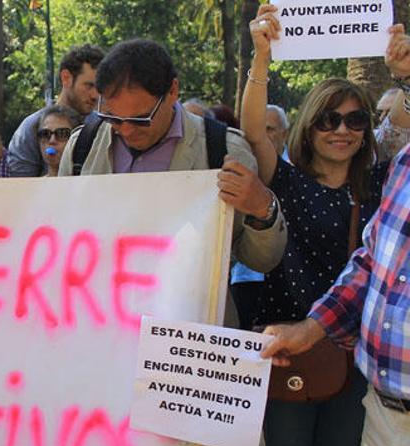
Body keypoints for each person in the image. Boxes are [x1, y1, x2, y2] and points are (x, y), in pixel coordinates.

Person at [241, 6, 399, 446]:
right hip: (290, 346)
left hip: (356, 359)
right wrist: (261, 59)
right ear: (309, 125)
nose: (342, 130)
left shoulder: (382, 183)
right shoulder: (285, 181)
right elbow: (252, 131)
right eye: (330, 118)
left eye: (355, 120)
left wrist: (404, 73)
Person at [58, 38, 287, 328]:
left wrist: (261, 208)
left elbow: (261, 261)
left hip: (186, 338)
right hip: (96, 327)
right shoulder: (82, 145)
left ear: (173, 91)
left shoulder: (223, 150)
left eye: (141, 119)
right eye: (113, 118)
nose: (126, 130)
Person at [5, 44, 104, 177]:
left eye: (99, 88)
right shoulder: (31, 128)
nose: (95, 95)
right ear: (66, 78)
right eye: (89, 86)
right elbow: (19, 188)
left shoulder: (101, 126)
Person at [35, 105, 81, 176]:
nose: (52, 141)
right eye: (45, 134)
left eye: (62, 133)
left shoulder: (86, 182)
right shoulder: (34, 185)